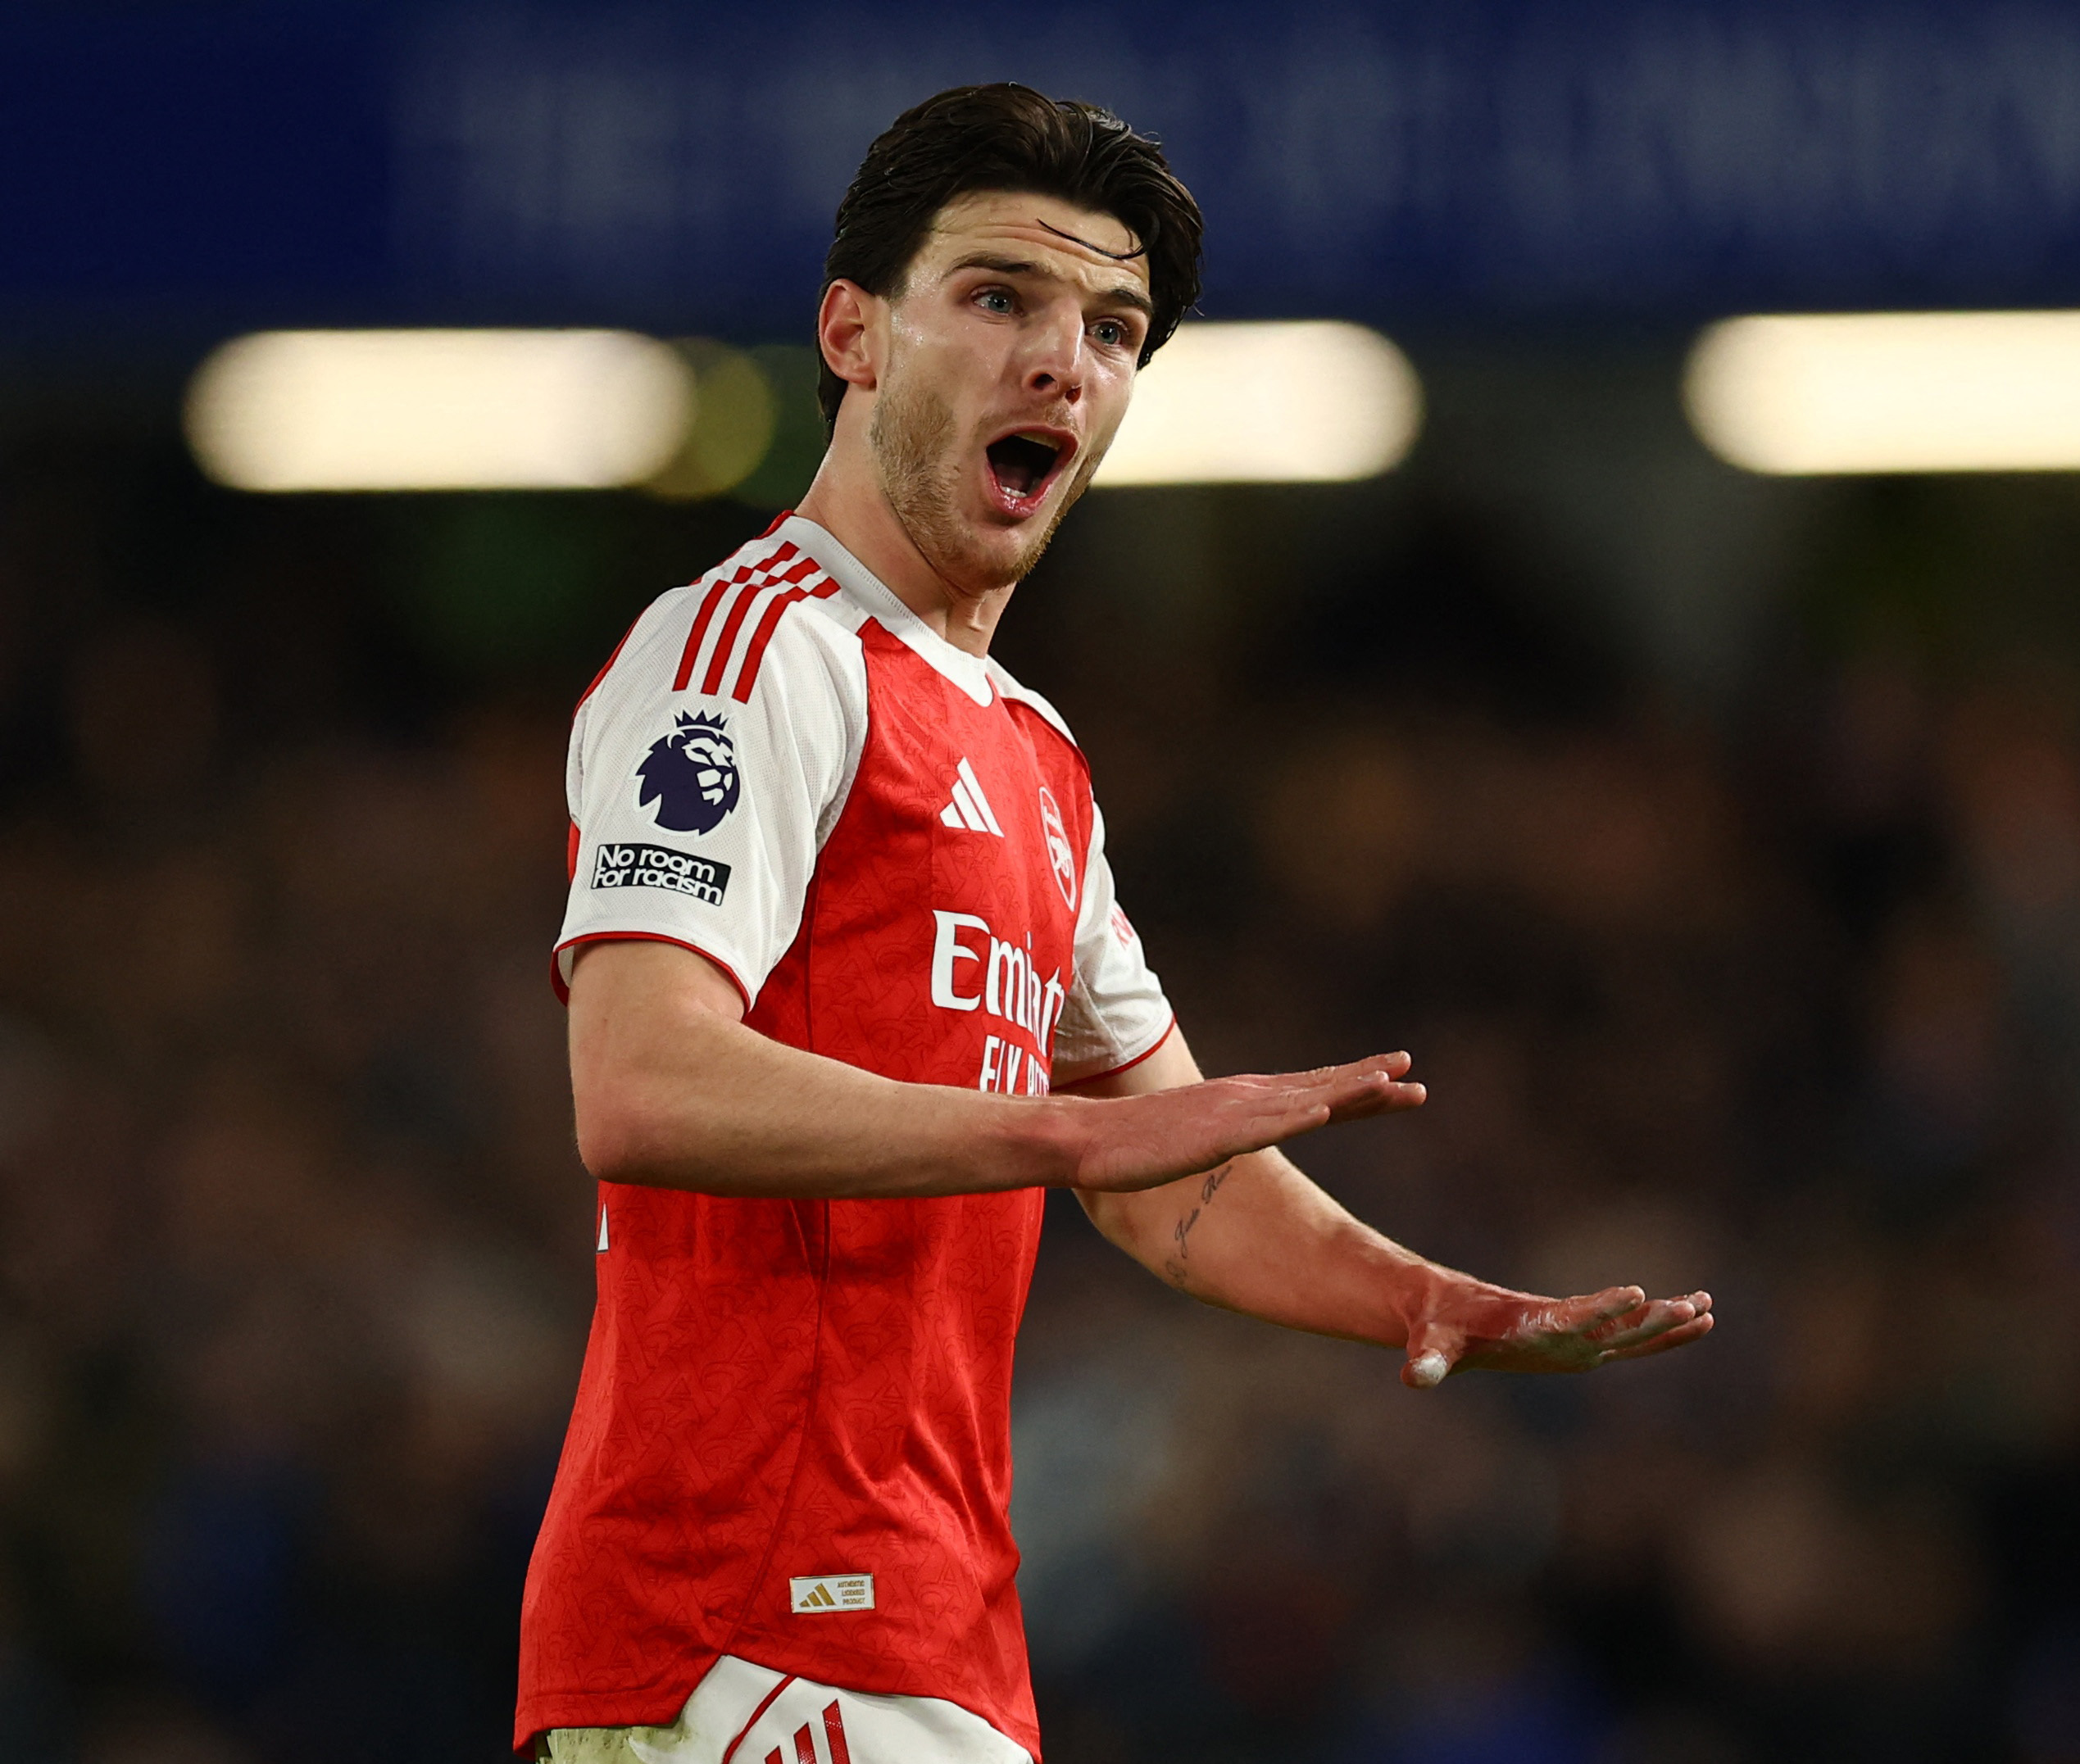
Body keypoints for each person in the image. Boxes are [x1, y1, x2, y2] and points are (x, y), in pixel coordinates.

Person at [517, 83, 1714, 1764]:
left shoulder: (1034, 756)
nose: (1060, 362)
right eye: (998, 297)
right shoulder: (751, 651)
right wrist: (1065, 1133)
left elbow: (1171, 1178)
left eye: (1111, 328)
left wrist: (1421, 1297)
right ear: (853, 334)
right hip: (740, 1621)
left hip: (925, 1634)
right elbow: (642, 1084)